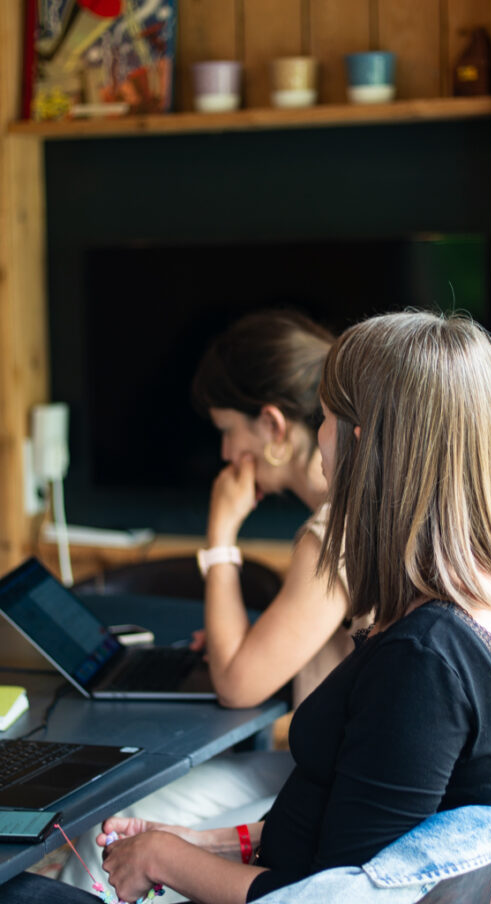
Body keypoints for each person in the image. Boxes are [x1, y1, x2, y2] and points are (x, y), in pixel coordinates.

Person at [3, 309, 491, 904]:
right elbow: (354, 830)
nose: (319, 440)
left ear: (361, 445)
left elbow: (326, 894)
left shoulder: (426, 659)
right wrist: (214, 842)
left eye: (324, 419)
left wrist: (165, 856)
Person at [60, 310, 369, 900]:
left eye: (230, 430)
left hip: (329, 796)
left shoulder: (333, 532)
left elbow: (236, 685)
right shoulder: (351, 517)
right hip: (330, 780)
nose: (226, 451)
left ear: (274, 426)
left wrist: (221, 531)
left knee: (107, 836)